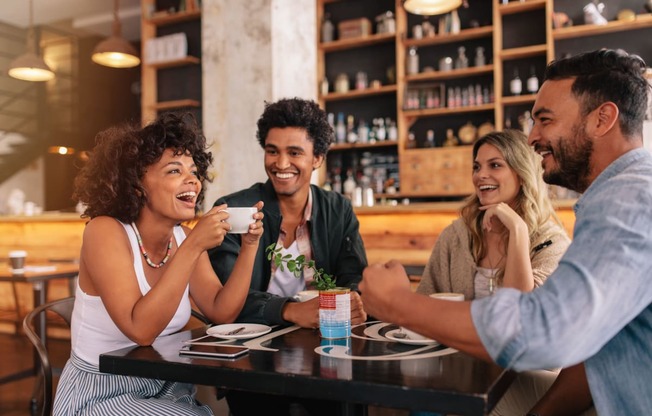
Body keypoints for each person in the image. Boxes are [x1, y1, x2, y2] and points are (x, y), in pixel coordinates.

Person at [360, 48, 652, 416]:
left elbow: (543, 333)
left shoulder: (628, 199)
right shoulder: (619, 195)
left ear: (602, 119)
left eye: (545, 120)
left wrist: (399, 304)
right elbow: (596, 349)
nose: (532, 137)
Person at [53, 113, 264, 415]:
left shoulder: (183, 237)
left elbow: (222, 310)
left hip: (168, 385)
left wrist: (249, 247)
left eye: (194, 171)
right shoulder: (105, 231)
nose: (192, 179)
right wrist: (193, 246)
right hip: (102, 393)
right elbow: (141, 330)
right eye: (174, 170)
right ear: (137, 184)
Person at [208, 97, 368, 415]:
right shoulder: (234, 210)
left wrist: (352, 303)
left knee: (350, 397)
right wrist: (291, 311)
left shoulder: (338, 210)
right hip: (253, 355)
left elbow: (354, 278)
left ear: (318, 158)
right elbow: (225, 297)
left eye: (294, 152)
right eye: (272, 151)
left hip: (326, 348)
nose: (281, 164)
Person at [417, 129, 570, 300]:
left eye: (495, 165)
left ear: (522, 174)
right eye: (476, 167)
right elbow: (424, 302)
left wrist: (517, 229)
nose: (480, 175)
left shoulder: (553, 245)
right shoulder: (455, 236)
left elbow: (522, 310)